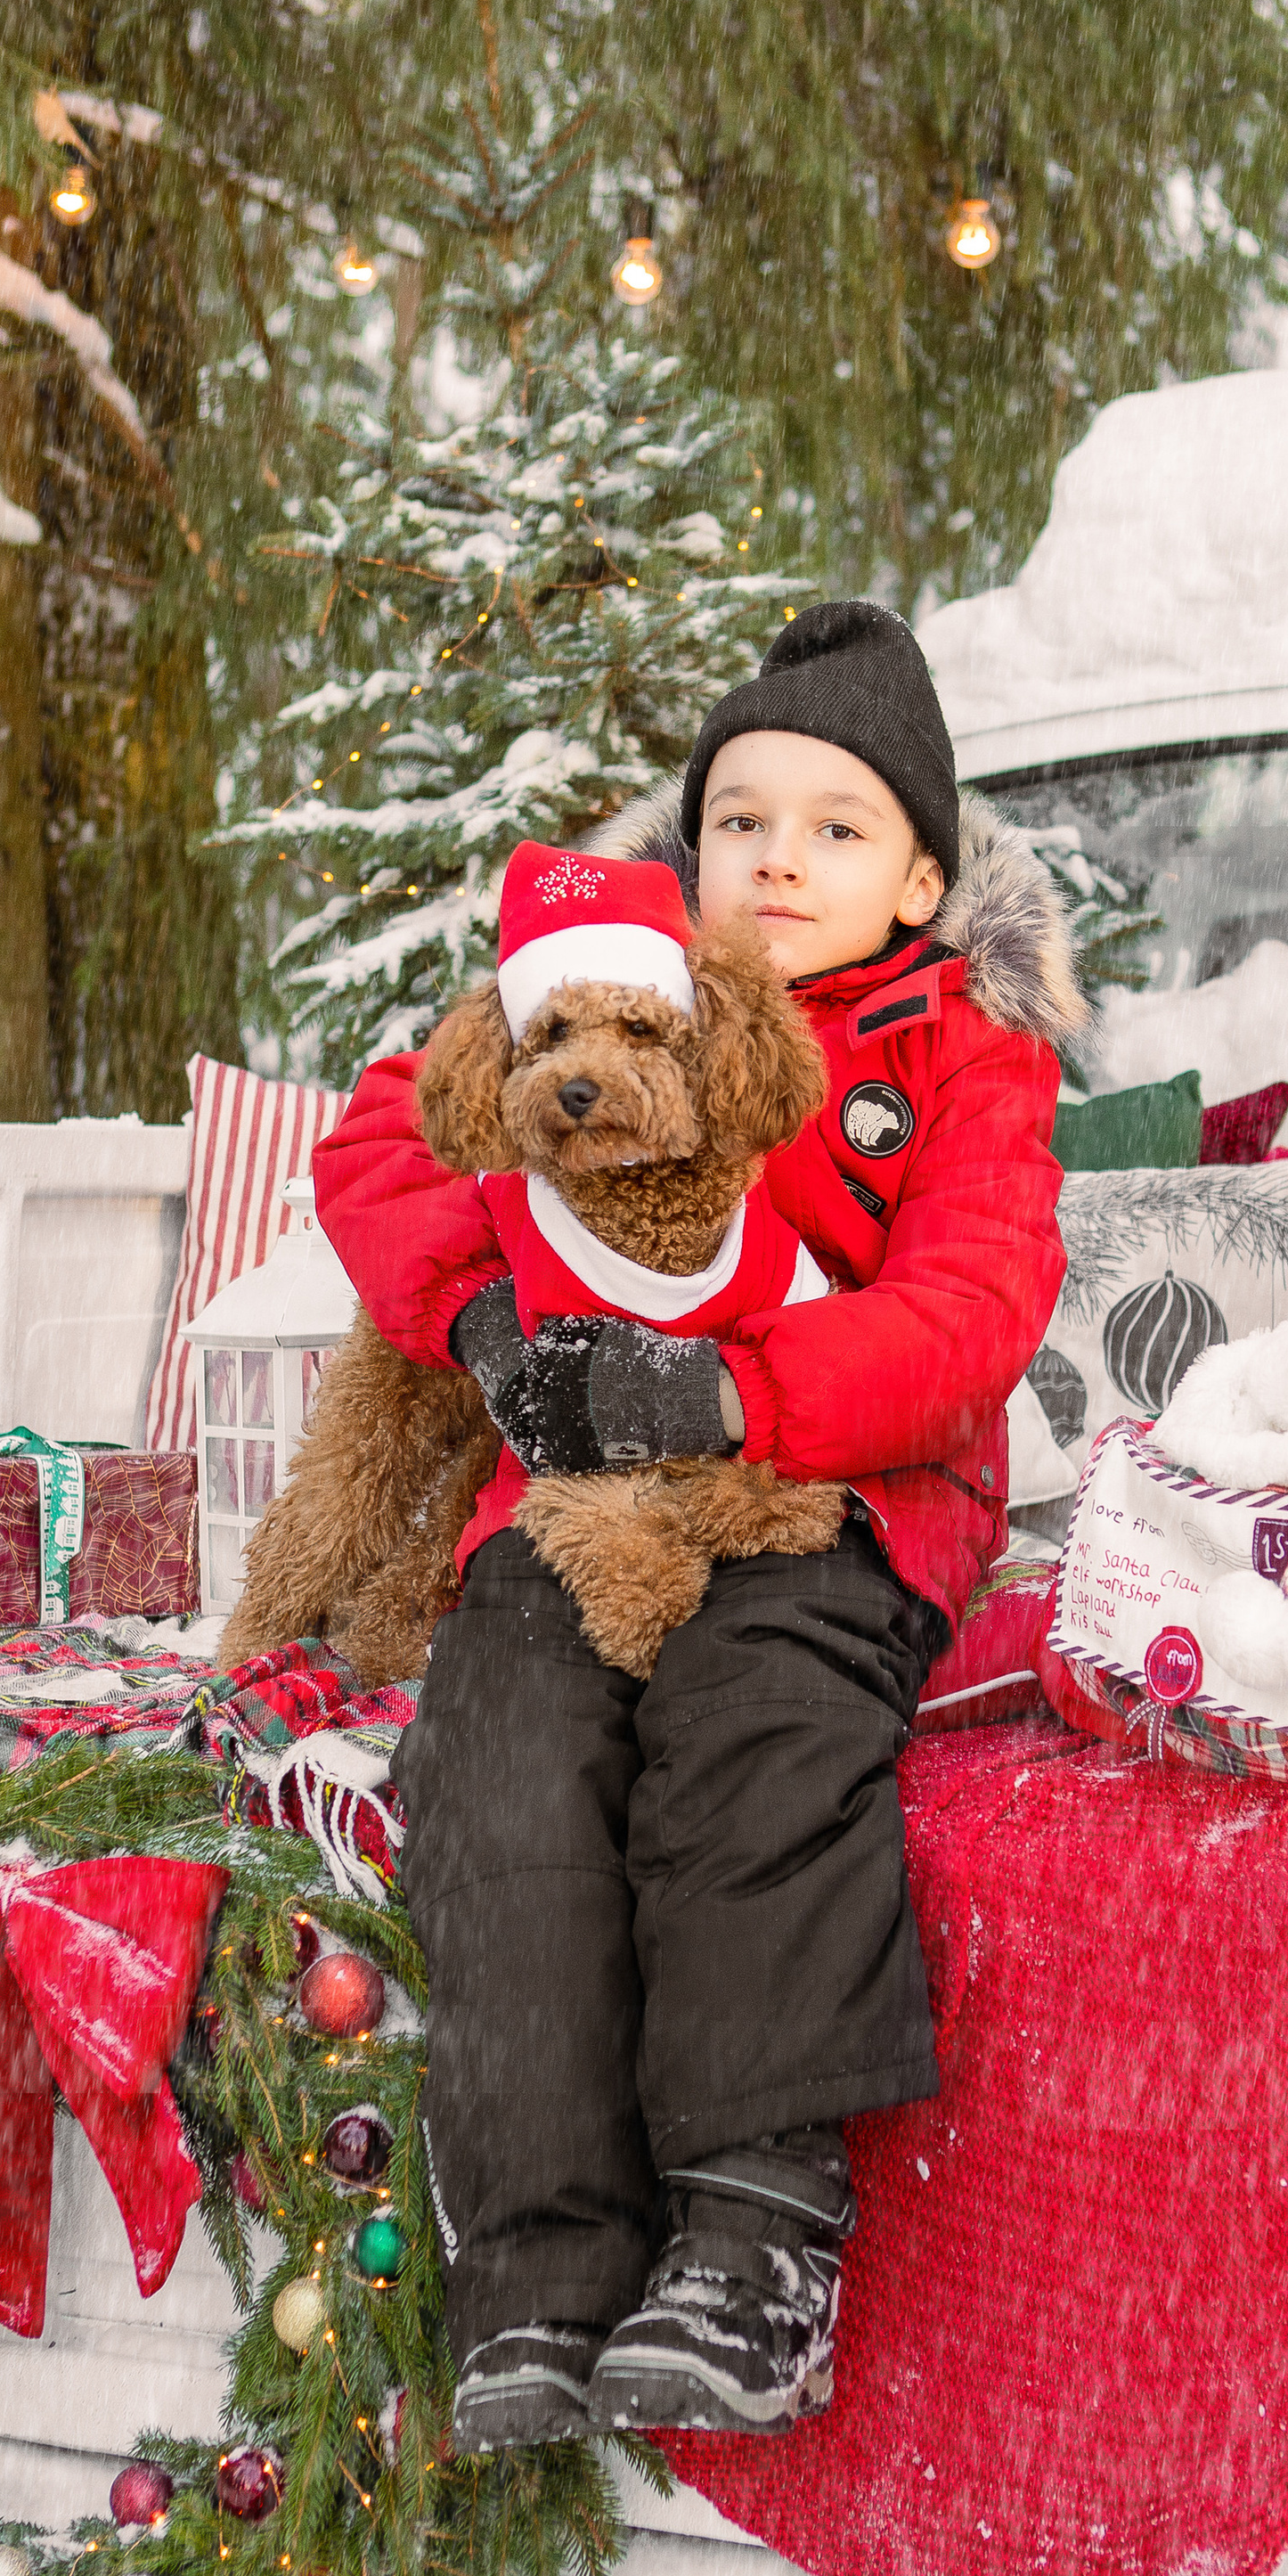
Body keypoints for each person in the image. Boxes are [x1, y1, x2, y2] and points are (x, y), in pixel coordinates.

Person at [313, 599, 1080, 2447]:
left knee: (753, 1714)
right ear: (690, 849)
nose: (777, 860)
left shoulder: (963, 1055)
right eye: (741, 821)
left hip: (830, 1496)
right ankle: (538, 2269)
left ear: (916, 877)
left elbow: (974, 1313)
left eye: (832, 828)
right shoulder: (595, 980)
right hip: (573, 1501)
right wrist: (482, 1319)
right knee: (501, 1746)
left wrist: (738, 1392)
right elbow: (378, 1145)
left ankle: (752, 2239)